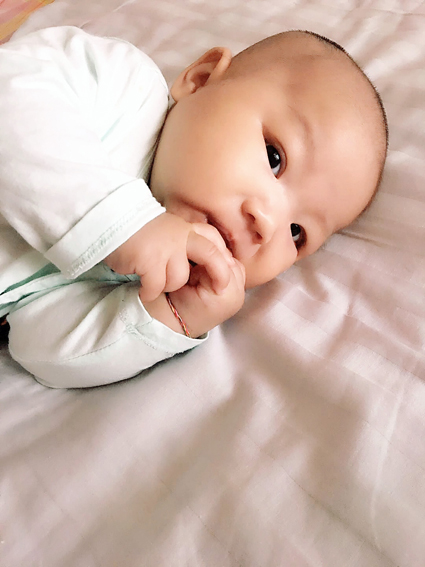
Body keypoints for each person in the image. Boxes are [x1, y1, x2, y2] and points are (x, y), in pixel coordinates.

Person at [0, 26, 388, 388]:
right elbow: (12, 95)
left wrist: (166, 318)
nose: (268, 223)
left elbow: (37, 348)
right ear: (201, 79)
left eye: (297, 233)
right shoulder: (122, 87)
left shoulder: (141, 278)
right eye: (274, 158)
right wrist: (122, 223)